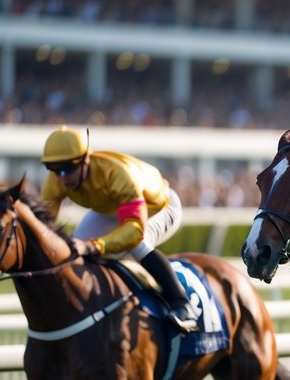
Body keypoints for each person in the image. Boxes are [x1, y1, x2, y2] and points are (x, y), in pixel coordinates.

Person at [40, 126, 199, 333]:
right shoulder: (56, 180)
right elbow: (43, 229)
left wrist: (94, 246)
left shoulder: (117, 174)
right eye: (54, 169)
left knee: (137, 244)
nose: (62, 177)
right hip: (114, 209)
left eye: (68, 169)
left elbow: (135, 230)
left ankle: (182, 303)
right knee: (74, 251)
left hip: (159, 207)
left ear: (85, 159)